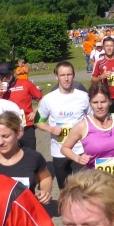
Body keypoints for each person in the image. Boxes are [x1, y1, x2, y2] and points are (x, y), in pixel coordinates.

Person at [60, 81, 114, 226]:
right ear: (90, 104)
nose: (100, 106)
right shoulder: (83, 125)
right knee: (104, 223)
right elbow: (65, 148)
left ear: (110, 102)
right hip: (98, 185)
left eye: (103, 102)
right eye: (95, 102)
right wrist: (77, 158)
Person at [36, 61, 90, 189]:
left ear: (73, 75)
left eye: (69, 75)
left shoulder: (83, 96)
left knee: (83, 189)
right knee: (64, 189)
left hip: (80, 150)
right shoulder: (48, 99)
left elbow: (92, 119)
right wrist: (50, 129)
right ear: (56, 77)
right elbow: (37, 121)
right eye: (62, 75)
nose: (66, 79)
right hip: (59, 152)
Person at [0, 112, 52, 204]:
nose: (0, 142)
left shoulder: (33, 157)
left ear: (18, 133)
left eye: (5, 136)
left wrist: (45, 191)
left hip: (26, 211)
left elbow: (45, 178)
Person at [0, 63, 43, 151]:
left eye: (7, 75)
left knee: (30, 154)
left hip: (26, 126)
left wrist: (35, 111)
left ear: (13, 73)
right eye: (2, 75)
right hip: (7, 127)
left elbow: (42, 98)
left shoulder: (26, 83)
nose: (4, 78)